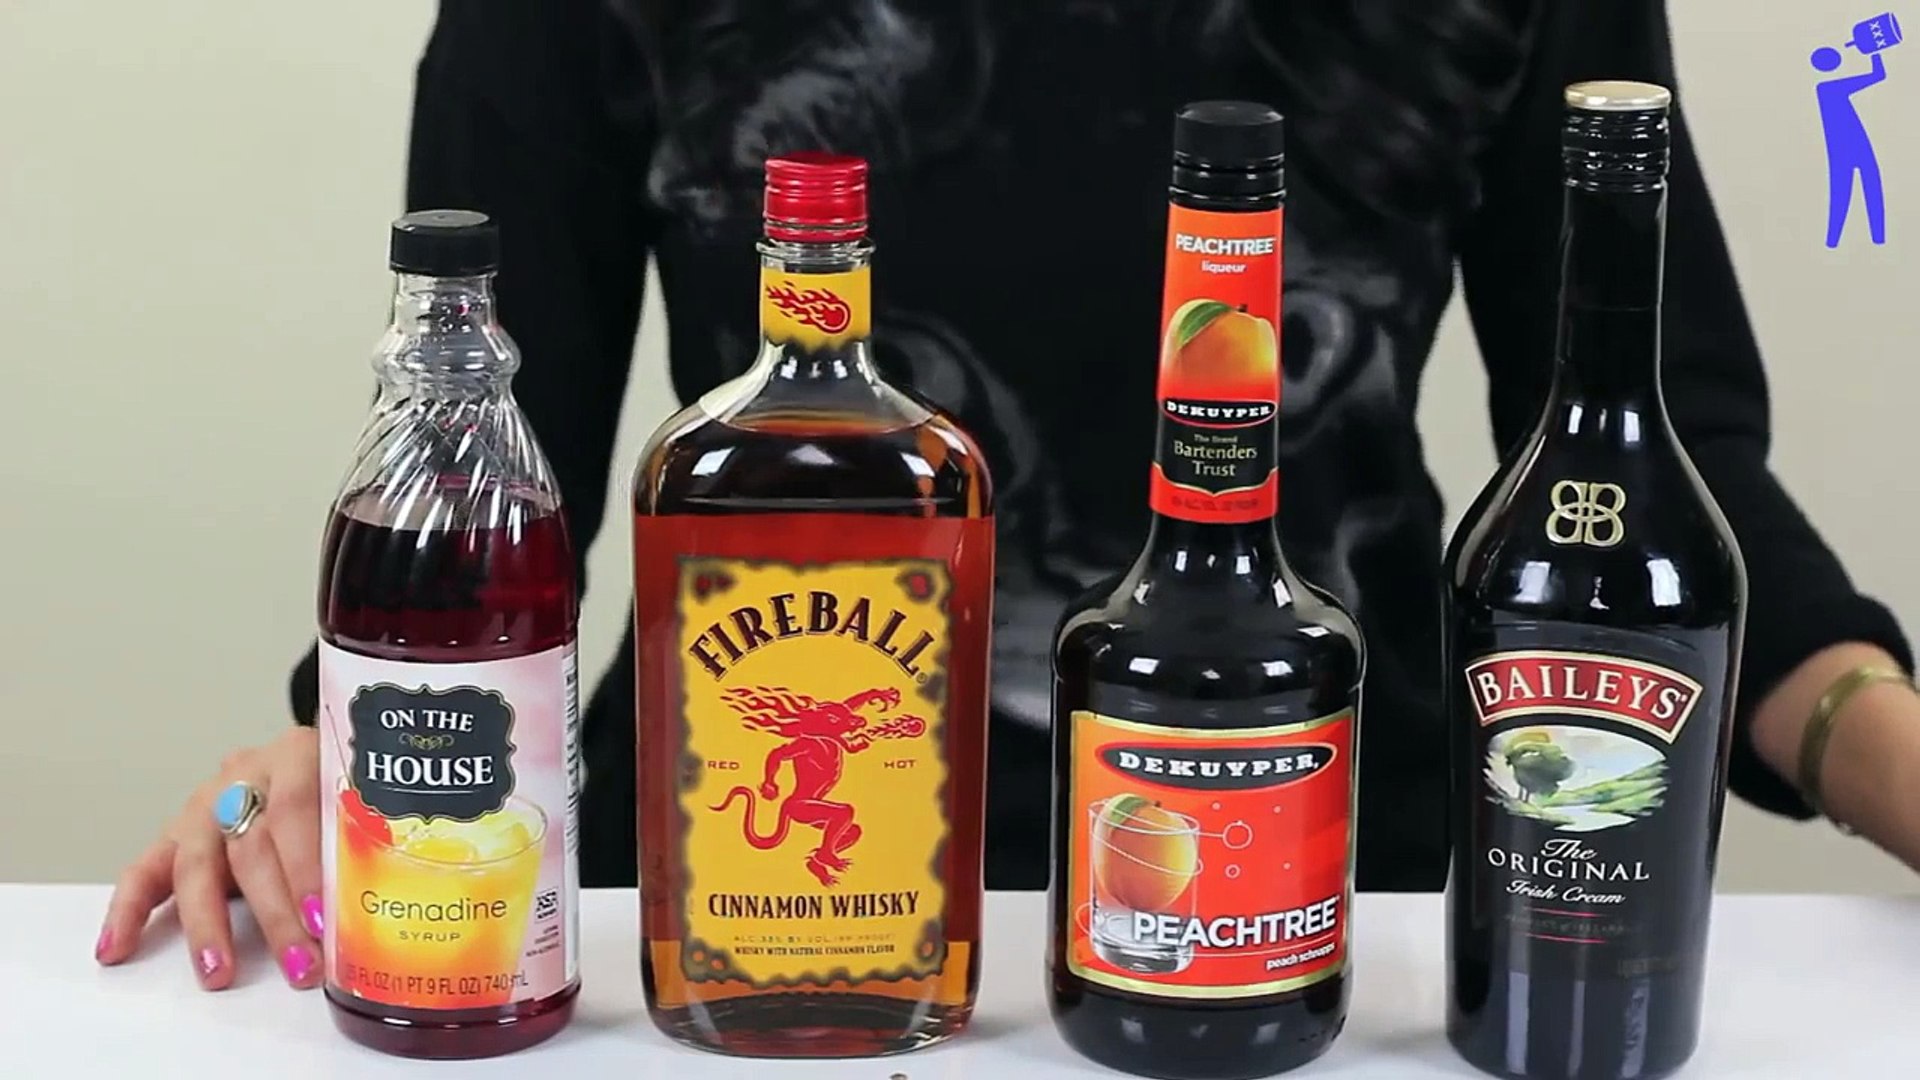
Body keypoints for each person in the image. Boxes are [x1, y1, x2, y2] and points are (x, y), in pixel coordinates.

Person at [99, 0, 1920, 991]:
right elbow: (490, 468)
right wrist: (338, 744)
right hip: (740, 922)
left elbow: (1656, 471)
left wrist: (1877, 743)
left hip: (1320, 912)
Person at [1811, 44, 1889, 248]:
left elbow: (1877, 76)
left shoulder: (1825, 89)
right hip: (1848, 146)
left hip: (1845, 145)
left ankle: (1869, 239)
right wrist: (1874, 52)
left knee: (1855, 191)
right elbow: (1877, 75)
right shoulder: (1828, 89)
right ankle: (1872, 239)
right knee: (1854, 192)